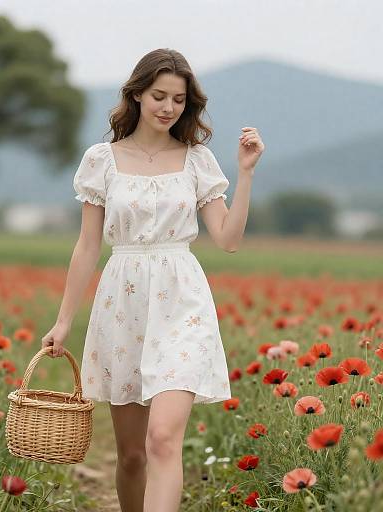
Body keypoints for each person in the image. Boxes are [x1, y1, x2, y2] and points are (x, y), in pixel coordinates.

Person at [41, 48, 264, 512]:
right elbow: (86, 246)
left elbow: (227, 238)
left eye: (179, 100)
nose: (168, 107)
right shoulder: (101, 160)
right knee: (132, 455)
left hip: (182, 299)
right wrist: (64, 321)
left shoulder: (197, 160)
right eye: (159, 95)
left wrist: (244, 174)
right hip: (122, 301)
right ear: (137, 94)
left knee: (163, 438)